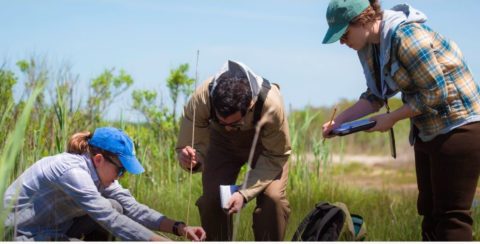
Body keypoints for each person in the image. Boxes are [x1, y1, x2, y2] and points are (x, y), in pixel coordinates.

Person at [321, 0, 480, 241]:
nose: (343, 42)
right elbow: (375, 96)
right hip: (427, 128)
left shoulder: (407, 36)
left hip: (460, 125)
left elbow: (436, 92)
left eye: (344, 34)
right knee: (428, 212)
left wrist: (392, 118)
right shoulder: (369, 46)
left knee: (451, 216)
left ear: (363, 20)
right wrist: (339, 122)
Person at [3, 127, 206, 241]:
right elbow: (110, 220)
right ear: (99, 159)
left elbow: (133, 208)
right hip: (21, 233)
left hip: (54, 227)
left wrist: (180, 228)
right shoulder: (73, 172)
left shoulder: (100, 173)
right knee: (111, 212)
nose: (121, 176)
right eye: (120, 169)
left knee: (117, 205)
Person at [176, 60, 291, 241]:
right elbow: (189, 145)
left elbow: (276, 155)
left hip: (266, 148)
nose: (229, 128)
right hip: (221, 144)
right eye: (222, 122)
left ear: (250, 106)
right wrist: (190, 158)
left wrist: (244, 193)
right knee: (212, 199)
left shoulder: (271, 105)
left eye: (234, 123)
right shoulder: (201, 100)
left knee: (273, 199)